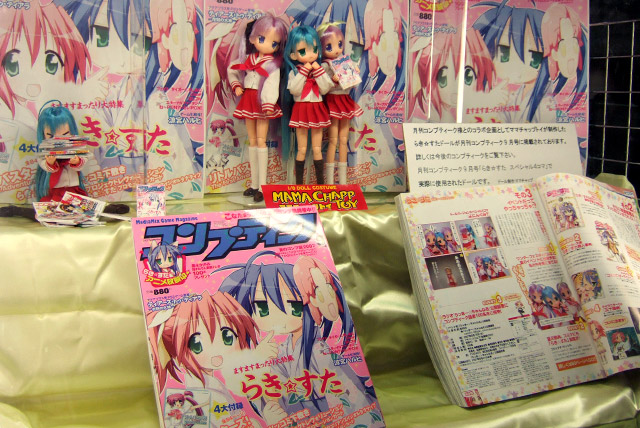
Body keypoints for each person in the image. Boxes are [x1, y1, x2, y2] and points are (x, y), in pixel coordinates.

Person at [228, 13, 288, 201]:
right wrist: (236, 85)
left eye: (274, 43)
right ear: (253, 38)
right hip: (248, 99)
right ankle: (254, 184)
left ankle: (263, 186)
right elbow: (232, 69)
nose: (268, 45)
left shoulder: (273, 64)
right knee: (253, 141)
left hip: (262, 103)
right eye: (262, 39)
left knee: (261, 141)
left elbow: (272, 83)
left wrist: (268, 102)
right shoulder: (248, 59)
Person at [283, 25, 333, 185]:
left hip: (317, 108)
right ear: (293, 54)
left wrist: (318, 71)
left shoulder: (320, 71)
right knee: (302, 149)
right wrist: (304, 72)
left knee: (317, 149)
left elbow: (325, 88)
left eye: (315, 49)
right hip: (301, 109)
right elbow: (295, 90)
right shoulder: (294, 72)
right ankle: (299, 185)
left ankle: (320, 184)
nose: (311, 55)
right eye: (303, 51)